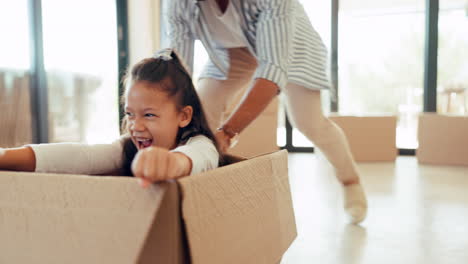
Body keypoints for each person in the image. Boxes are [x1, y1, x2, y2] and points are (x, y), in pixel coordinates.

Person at [165, 0, 368, 223]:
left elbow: (273, 69)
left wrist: (228, 132)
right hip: (232, 53)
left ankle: (350, 181)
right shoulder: (178, 4)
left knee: (309, 123)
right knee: (200, 109)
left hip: (293, 48)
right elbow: (175, 69)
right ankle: (198, 194)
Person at [0, 49, 220, 187]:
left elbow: (194, 158)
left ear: (184, 115)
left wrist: (169, 162)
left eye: (149, 115)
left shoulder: (201, 145)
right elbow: (83, 156)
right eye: (129, 114)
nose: (136, 126)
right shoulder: (126, 149)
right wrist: (7, 156)